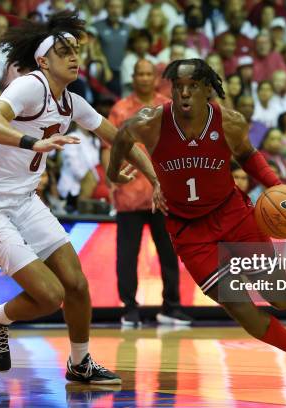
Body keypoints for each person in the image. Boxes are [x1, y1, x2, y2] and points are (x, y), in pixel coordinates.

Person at [107, 59, 286, 391]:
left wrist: (274, 185)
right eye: (178, 86)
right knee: (241, 309)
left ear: (207, 89)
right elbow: (121, 137)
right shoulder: (151, 122)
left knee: (281, 298)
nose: (185, 93)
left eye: (193, 86)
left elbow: (248, 155)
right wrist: (114, 173)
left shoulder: (229, 122)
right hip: (189, 232)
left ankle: (247, 271)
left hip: (233, 218)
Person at [0, 11, 156, 382]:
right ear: (43, 60)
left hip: (24, 200)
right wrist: (35, 141)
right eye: (64, 50)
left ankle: (80, 362)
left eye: (77, 50)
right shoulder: (30, 86)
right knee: (50, 296)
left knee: (78, 285)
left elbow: (121, 139)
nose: (74, 56)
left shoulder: (72, 102)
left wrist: (155, 178)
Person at [106, 59, 189, 326]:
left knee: (169, 252)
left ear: (155, 78)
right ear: (133, 77)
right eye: (139, 73)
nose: (143, 78)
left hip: (162, 192)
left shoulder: (167, 106)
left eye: (148, 74)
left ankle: (171, 307)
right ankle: (129, 308)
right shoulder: (120, 110)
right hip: (129, 195)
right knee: (127, 256)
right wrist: (113, 182)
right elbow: (108, 147)